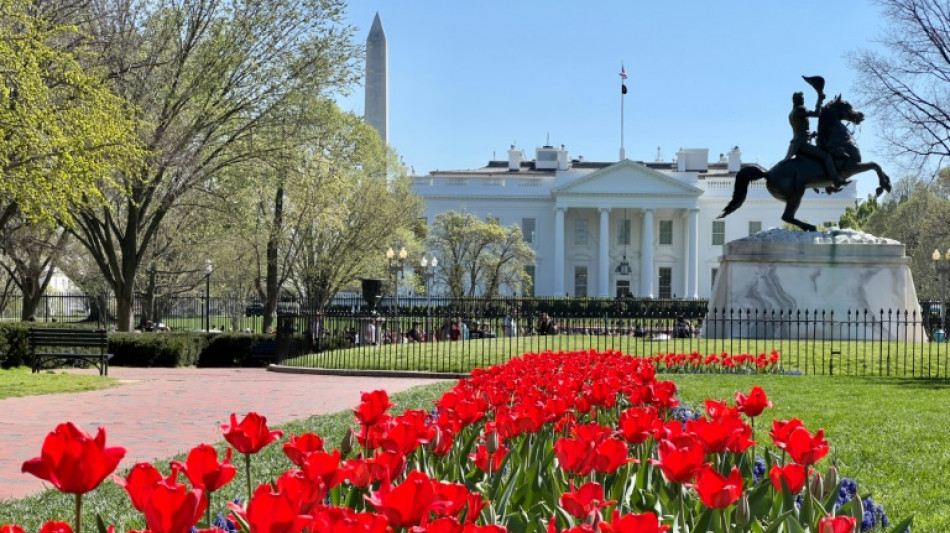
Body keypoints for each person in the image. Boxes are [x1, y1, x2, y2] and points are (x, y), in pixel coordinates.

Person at [782, 90, 846, 189]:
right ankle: (836, 181)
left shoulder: (791, 113)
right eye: (802, 99)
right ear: (797, 100)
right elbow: (818, 113)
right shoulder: (800, 109)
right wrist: (820, 98)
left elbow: (800, 130)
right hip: (802, 144)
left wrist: (812, 134)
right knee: (827, 157)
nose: (803, 101)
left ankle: (826, 185)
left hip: (797, 143)